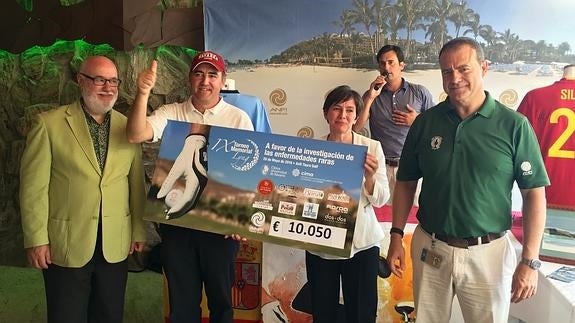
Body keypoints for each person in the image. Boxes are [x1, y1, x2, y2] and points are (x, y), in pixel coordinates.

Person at [386, 37, 549, 323]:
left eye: (464, 69)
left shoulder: (513, 125)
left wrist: (530, 260)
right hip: (430, 247)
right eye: (447, 72)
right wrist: (396, 235)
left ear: (484, 67)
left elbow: (534, 193)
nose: (455, 78)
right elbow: (406, 182)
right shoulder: (425, 123)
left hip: (489, 253)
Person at [127, 50, 253, 323]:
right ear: (189, 79)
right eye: (198, 73)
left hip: (221, 229)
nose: (205, 81)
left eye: (212, 74)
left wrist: (240, 220)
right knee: (182, 306)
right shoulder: (172, 112)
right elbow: (136, 133)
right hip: (178, 229)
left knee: (222, 303)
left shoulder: (238, 118)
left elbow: (247, 173)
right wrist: (143, 92)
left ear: (222, 80)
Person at [19, 55, 147, 323]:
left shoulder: (130, 126)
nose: (108, 87)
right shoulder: (49, 124)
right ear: (80, 80)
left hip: (115, 243)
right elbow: (33, 189)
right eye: (100, 79)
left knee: (109, 315)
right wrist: (36, 239)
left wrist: (137, 229)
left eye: (113, 81)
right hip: (65, 243)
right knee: (66, 315)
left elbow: (135, 184)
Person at [305, 85, 390, 323]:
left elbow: (382, 198)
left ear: (357, 116)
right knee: (323, 313)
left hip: (361, 245)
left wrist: (370, 178)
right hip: (320, 243)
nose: (343, 116)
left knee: (361, 313)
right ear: (326, 113)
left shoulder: (372, 148)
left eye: (350, 110)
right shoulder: (311, 150)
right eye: (337, 109)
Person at [353, 45, 434, 205]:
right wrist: (370, 96)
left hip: (412, 166)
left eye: (391, 62)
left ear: (401, 65)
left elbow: (436, 127)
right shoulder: (371, 95)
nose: (387, 68)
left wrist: (416, 120)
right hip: (380, 167)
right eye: (382, 64)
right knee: (380, 215)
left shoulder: (419, 92)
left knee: (411, 216)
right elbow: (355, 128)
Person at [517, 64, 575, 209]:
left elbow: (513, 150)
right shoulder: (533, 98)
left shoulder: (535, 97)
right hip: (540, 201)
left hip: (543, 199)